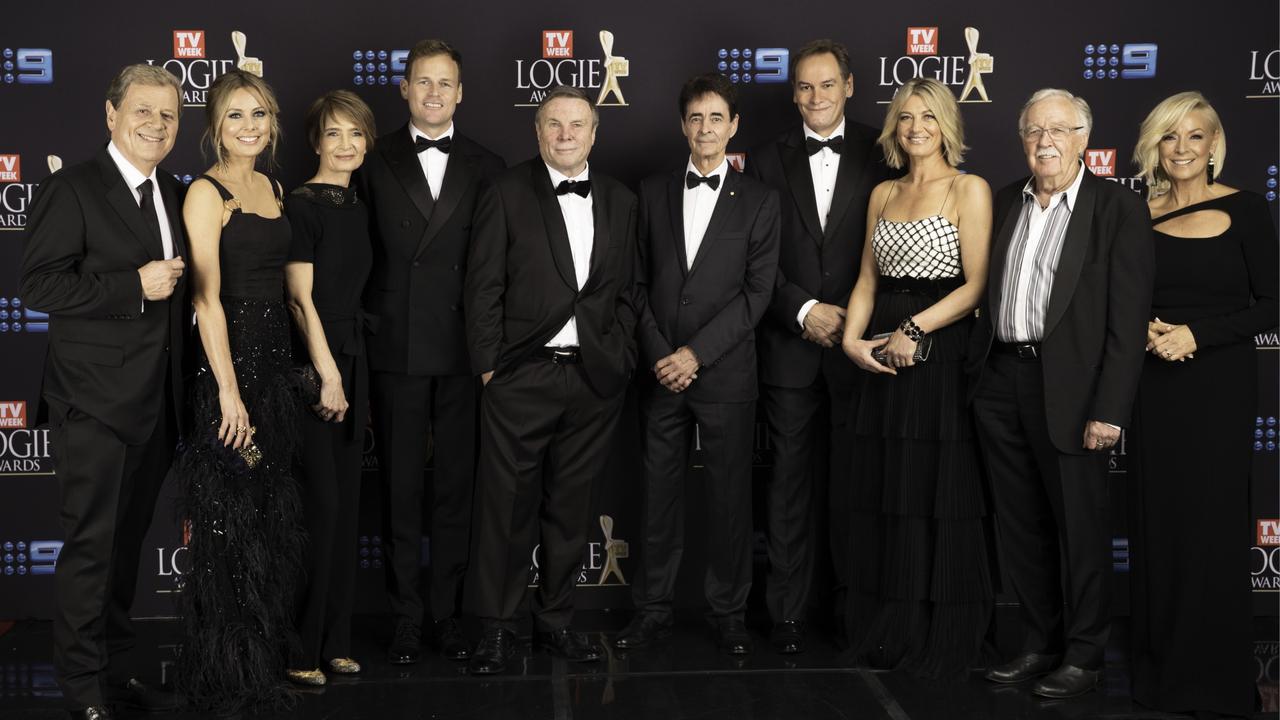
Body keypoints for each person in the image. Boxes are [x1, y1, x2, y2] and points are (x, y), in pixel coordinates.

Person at [970, 88, 1153, 699]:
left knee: (1080, 527)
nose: (1045, 141)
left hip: (1075, 389)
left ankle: (1085, 653)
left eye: (1059, 130)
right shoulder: (1001, 202)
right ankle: (1038, 643)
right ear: (1021, 139)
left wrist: (1110, 409)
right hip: (1002, 380)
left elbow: (1128, 324)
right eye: (1033, 131)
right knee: (1020, 526)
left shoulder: (1115, 209)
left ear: (1082, 139)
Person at [20, 63, 187, 720]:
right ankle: (83, 687)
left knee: (126, 550)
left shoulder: (172, 189)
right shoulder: (74, 188)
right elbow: (39, 286)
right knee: (92, 549)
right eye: (142, 111)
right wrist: (130, 287)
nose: (156, 124)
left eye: (169, 115)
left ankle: (117, 672)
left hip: (155, 404)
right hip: (93, 404)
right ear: (111, 115)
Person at [464, 85, 638, 675]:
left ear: (595, 133)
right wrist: (491, 367)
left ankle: (556, 622)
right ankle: (494, 627)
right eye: (553, 124)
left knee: (572, 508)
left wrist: (620, 352)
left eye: (577, 125)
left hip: (593, 379)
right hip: (520, 375)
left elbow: (629, 292)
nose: (566, 134)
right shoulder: (506, 190)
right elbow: (482, 286)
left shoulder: (620, 199)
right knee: (504, 509)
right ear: (537, 133)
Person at [618, 73, 780, 655]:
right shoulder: (650, 190)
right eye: (695, 118)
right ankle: (652, 609)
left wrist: (695, 354)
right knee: (658, 496)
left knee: (730, 500)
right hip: (661, 373)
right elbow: (633, 284)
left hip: (726, 373)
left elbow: (757, 296)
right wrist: (664, 354)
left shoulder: (761, 201)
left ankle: (729, 611)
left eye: (717, 118)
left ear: (733, 126)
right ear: (682, 125)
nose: (706, 129)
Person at [1128, 91, 1277, 719]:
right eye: (1170, 137)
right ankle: (1158, 677)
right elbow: (1117, 297)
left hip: (1218, 385)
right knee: (1159, 524)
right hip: (1152, 387)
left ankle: (1211, 681)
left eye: (1195, 137)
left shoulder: (1246, 210)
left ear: (1214, 144)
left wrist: (1198, 334)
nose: (1182, 149)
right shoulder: (1136, 212)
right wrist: (1145, 332)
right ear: (1155, 147)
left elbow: (1272, 305)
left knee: (1212, 525)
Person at [357, 38, 505, 664]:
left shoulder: (489, 165)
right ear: (404, 88)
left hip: (465, 353)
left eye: (445, 83)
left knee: (454, 491)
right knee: (398, 492)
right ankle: (407, 617)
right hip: (396, 347)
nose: (435, 93)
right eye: (423, 82)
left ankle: (447, 614)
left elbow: (497, 268)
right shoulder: (370, 158)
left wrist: (491, 350)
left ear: (461, 91)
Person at [839, 77, 993, 677]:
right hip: (883, 355)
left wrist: (917, 330)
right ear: (893, 128)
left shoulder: (968, 188)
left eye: (928, 117)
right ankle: (894, 625)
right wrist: (853, 340)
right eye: (905, 118)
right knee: (892, 491)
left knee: (940, 491)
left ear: (947, 125)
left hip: (940, 355)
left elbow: (976, 285)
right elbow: (866, 283)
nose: (916, 128)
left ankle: (943, 630)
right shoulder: (882, 193)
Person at [746, 39, 887, 653]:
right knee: (787, 490)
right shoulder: (764, 160)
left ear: (850, 86)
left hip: (866, 349)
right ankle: (788, 615)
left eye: (827, 85)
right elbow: (753, 258)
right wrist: (803, 310)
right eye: (804, 86)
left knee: (861, 486)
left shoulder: (884, 149)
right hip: (790, 348)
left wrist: (851, 321)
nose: (815, 97)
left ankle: (857, 614)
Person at [172, 69, 305, 713]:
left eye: (258, 115)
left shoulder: (274, 186)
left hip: (276, 365)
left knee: (267, 517)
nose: (248, 127)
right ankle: (228, 671)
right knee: (228, 522)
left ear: (272, 122)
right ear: (214, 127)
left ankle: (260, 659)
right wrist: (228, 391)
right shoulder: (207, 192)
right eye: (234, 116)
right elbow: (205, 297)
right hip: (230, 366)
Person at [283, 90, 379, 686]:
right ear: (315, 141)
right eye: (334, 134)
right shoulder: (301, 206)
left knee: (345, 511)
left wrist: (350, 370)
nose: (346, 146)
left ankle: (336, 640)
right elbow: (299, 299)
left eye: (357, 135)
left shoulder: (357, 204)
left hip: (353, 356)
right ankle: (300, 648)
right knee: (318, 509)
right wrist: (328, 374)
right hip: (314, 361)